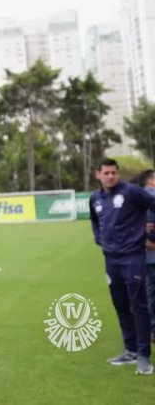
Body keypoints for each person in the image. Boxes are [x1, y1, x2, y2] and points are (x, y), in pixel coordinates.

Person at [90, 158, 155, 375]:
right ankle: (131, 350)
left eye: (114, 173)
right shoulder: (95, 198)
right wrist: (99, 239)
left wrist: (150, 235)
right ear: (98, 175)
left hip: (132, 257)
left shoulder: (131, 192)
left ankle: (144, 357)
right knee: (121, 305)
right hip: (111, 259)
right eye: (106, 173)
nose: (110, 176)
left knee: (139, 306)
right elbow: (95, 221)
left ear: (118, 174)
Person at [136, 169, 155, 343]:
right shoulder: (150, 198)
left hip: (147, 255)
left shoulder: (139, 198)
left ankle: (151, 329)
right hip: (151, 252)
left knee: (150, 293)